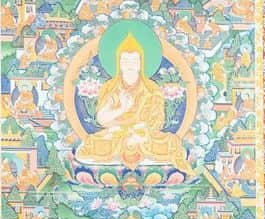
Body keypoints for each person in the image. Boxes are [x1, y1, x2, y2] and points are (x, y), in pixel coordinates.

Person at [75, 32, 190, 182]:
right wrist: (121, 109)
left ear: (141, 63)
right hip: (116, 133)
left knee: (171, 142)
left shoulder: (152, 89)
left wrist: (141, 130)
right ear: (119, 63)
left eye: (134, 60)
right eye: (125, 60)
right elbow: (102, 119)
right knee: (93, 143)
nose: (130, 64)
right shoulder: (110, 88)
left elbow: (158, 120)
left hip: (144, 135)